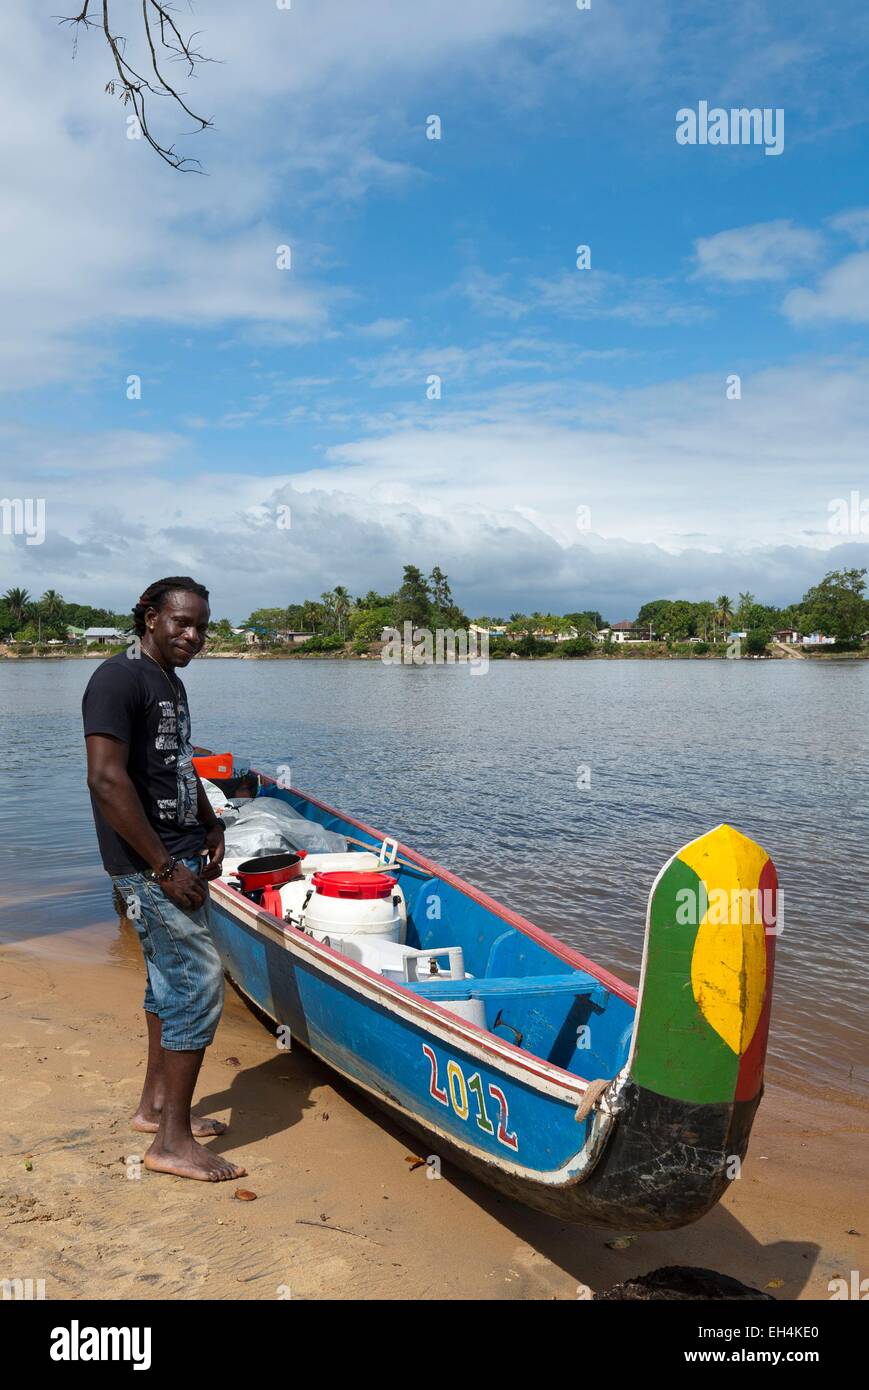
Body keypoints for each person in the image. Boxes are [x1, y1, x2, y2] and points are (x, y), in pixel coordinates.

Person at [82, 575, 246, 1183]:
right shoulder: (117, 678)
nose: (193, 635)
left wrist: (210, 822)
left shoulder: (166, 679)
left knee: (165, 985)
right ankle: (172, 1145)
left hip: (176, 853)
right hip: (151, 866)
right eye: (181, 622)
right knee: (198, 986)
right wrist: (164, 866)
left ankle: (155, 1110)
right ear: (149, 616)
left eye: (201, 626)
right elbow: (106, 780)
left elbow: (175, 763)